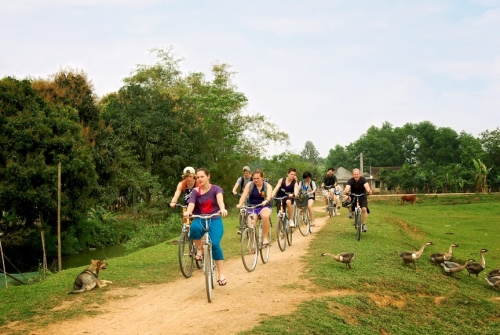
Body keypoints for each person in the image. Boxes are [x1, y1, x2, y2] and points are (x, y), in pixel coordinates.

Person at [183, 168, 228, 286]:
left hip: (214, 218)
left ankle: (221, 274)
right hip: (200, 218)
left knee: (215, 244)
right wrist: (188, 212)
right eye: (197, 177)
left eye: (202, 177)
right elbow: (191, 203)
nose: (199, 179)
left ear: (208, 176)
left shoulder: (216, 189)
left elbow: (220, 200)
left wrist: (222, 209)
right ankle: (200, 248)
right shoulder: (195, 191)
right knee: (194, 229)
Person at [236, 169, 273, 245]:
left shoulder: (267, 186)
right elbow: (244, 196)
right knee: (251, 225)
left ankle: (265, 238)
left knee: (265, 216)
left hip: (264, 206)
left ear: (262, 177)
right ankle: (253, 244)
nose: (255, 180)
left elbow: (269, 196)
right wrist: (240, 204)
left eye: (258, 178)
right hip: (252, 207)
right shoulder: (250, 185)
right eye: (254, 178)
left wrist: (266, 201)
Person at [343, 168, 372, 232]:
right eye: (355, 174)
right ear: (353, 175)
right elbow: (347, 187)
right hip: (353, 195)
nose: (356, 176)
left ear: (359, 174)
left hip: (362, 195)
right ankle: (351, 212)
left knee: (364, 209)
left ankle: (364, 224)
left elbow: (366, 186)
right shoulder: (350, 180)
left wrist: (369, 190)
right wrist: (346, 191)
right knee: (347, 200)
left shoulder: (363, 179)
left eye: (357, 174)